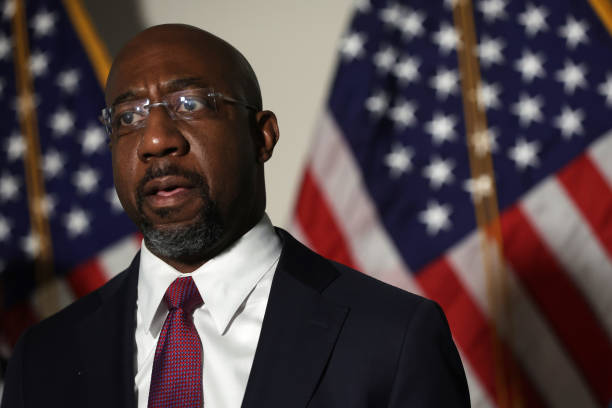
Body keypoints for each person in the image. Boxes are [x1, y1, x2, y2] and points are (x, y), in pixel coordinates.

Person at [1, 24, 470, 407]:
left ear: (262, 137)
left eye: (190, 104)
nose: (155, 139)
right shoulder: (43, 358)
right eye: (129, 117)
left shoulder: (394, 338)